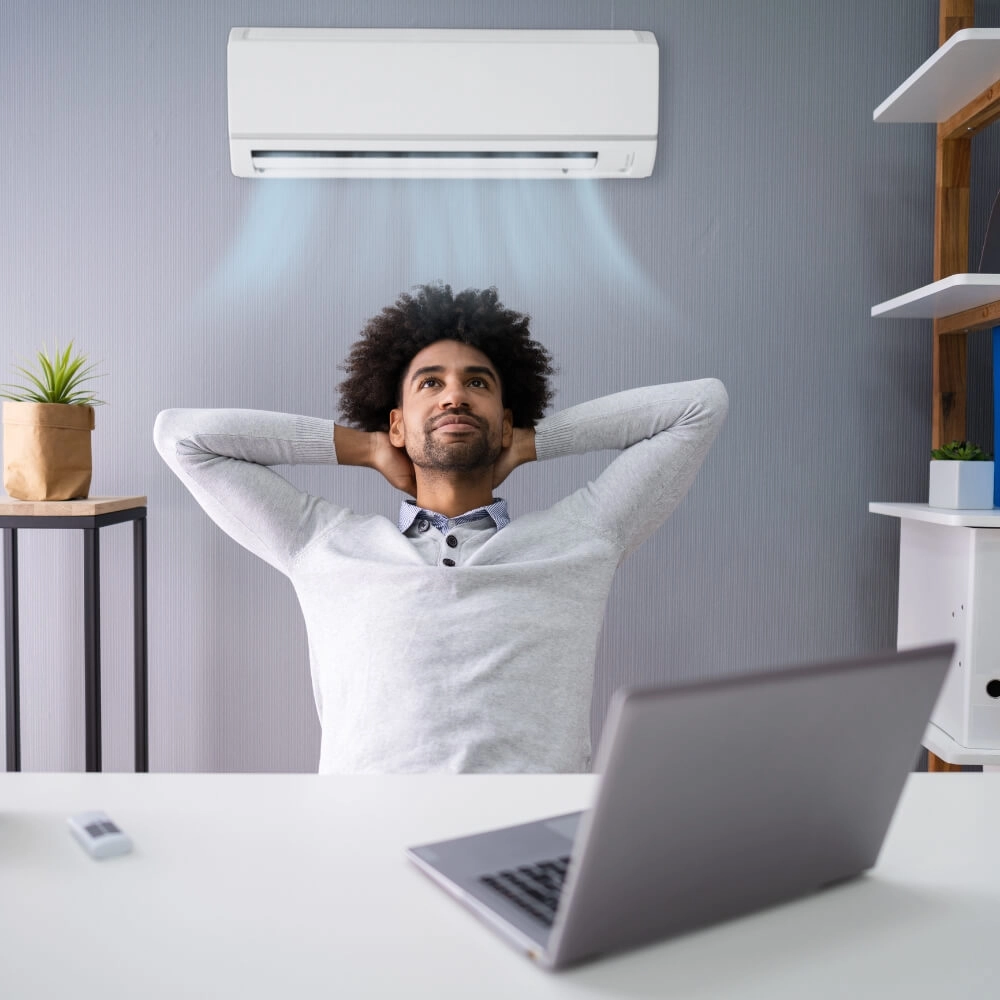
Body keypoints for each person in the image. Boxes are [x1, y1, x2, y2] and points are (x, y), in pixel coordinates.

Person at [154, 283, 728, 773]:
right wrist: (367, 447)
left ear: (505, 420)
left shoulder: (583, 537)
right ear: (398, 422)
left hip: (532, 845)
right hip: (365, 851)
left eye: (477, 383)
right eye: (430, 383)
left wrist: (531, 442)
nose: (455, 394)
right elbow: (182, 436)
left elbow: (700, 405)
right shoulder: (323, 544)